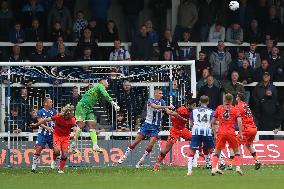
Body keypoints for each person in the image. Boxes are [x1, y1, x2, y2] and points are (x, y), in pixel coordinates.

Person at [118, 89, 175, 168]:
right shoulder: (150, 100)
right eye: (160, 93)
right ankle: (124, 156)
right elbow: (154, 106)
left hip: (156, 127)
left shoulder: (162, 101)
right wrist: (166, 106)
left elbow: (168, 112)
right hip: (147, 125)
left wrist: (173, 111)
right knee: (135, 142)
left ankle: (141, 161)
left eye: (162, 93)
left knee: (150, 145)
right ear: (155, 94)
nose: (162, 95)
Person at [71, 79, 120, 153]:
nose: (108, 84)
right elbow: (106, 95)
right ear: (102, 82)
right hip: (82, 106)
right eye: (107, 82)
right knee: (81, 125)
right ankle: (73, 144)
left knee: (92, 125)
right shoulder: (100, 86)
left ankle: (95, 146)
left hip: (89, 108)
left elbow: (103, 97)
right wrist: (113, 102)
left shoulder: (97, 90)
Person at [30, 104, 76, 174]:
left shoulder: (72, 120)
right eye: (72, 112)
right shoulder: (58, 116)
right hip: (57, 136)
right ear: (68, 113)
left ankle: (60, 170)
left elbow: (76, 128)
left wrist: (75, 137)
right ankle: (53, 161)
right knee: (57, 151)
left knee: (64, 154)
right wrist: (36, 125)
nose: (74, 113)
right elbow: (46, 119)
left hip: (66, 137)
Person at [153, 99, 196, 171]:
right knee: (167, 149)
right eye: (193, 105)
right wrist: (181, 118)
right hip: (175, 130)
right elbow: (173, 114)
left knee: (195, 139)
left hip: (183, 129)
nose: (194, 107)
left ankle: (200, 156)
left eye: (195, 105)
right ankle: (156, 165)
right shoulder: (182, 109)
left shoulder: (191, 111)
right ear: (188, 105)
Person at [211, 93, 244, 176]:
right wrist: (240, 132)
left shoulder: (219, 108)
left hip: (221, 132)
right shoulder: (235, 109)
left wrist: (215, 133)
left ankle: (214, 168)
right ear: (232, 100)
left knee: (217, 151)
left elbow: (213, 122)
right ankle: (238, 168)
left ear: (224, 100)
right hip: (231, 132)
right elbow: (240, 121)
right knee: (236, 150)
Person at [187, 96, 214, 176]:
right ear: (208, 102)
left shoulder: (194, 110)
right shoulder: (211, 111)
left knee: (192, 151)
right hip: (207, 131)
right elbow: (213, 122)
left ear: (199, 102)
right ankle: (215, 167)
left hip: (196, 131)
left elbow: (191, 123)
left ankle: (189, 171)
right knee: (212, 150)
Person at [31, 97, 57, 173]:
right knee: (39, 148)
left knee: (56, 150)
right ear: (45, 103)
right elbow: (40, 122)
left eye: (51, 102)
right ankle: (33, 168)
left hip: (52, 134)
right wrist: (47, 128)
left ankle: (55, 164)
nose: (52, 103)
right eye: (50, 102)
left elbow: (56, 121)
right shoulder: (40, 112)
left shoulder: (54, 111)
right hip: (42, 134)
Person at [236, 93, 261, 170]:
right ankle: (257, 160)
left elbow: (237, 118)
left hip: (246, 129)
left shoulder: (238, 106)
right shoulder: (246, 105)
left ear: (239, 98)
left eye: (237, 96)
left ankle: (232, 164)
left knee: (235, 145)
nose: (236, 97)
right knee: (248, 145)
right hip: (253, 128)